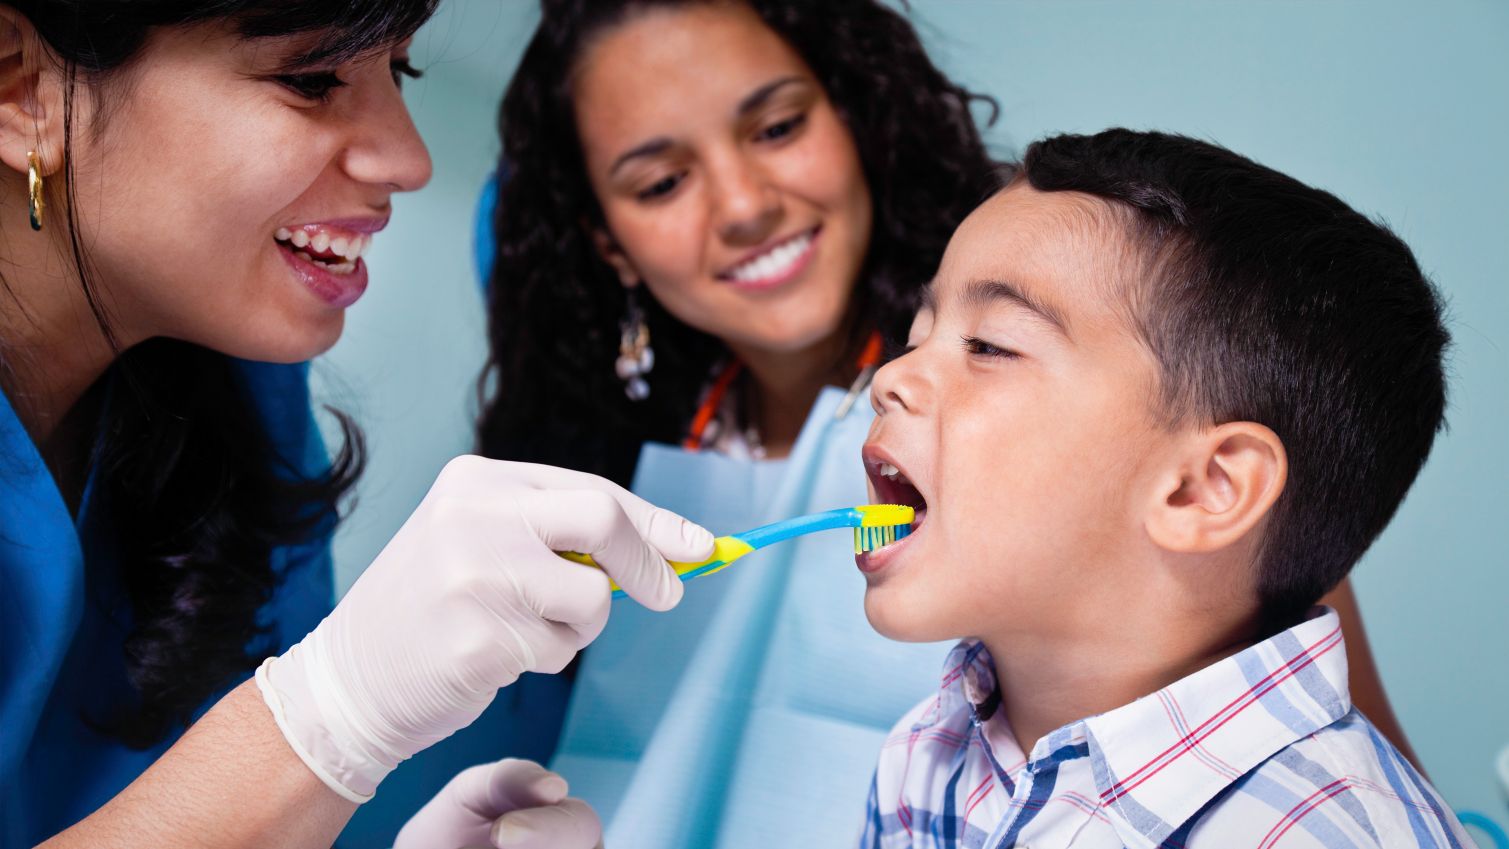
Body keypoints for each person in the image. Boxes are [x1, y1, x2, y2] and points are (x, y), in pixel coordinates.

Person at [475, 1, 1417, 845]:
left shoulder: (1166, 401)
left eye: (776, 126)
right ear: (608, 240)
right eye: (659, 183)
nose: (744, 206)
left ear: (857, 118)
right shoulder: (924, 756)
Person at [0, 3, 708, 848]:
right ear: (23, 87)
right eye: (312, 78)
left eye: (399, 72)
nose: (408, 160)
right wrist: (327, 717)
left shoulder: (236, 393)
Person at [857, 129, 1468, 847]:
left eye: (990, 344)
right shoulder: (923, 755)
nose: (890, 376)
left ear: (1202, 488)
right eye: (919, 330)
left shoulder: (1320, 833)